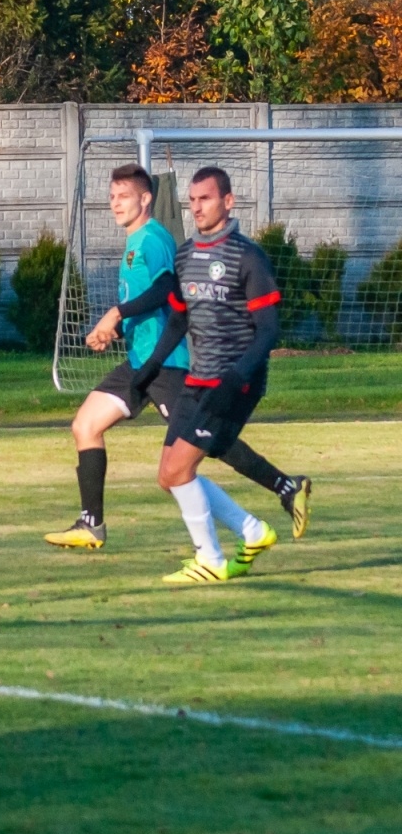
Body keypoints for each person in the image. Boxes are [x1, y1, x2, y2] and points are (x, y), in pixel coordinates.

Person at [46, 165, 311, 549]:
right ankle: (92, 523)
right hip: (143, 362)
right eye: (112, 197)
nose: (115, 203)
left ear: (146, 198)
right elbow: (162, 304)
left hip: (170, 365)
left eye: (123, 196)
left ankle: (274, 500)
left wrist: (117, 314)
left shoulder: (154, 239)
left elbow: (166, 292)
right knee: (86, 426)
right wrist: (116, 329)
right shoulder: (140, 242)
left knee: (196, 456)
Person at [131, 167, 291, 583]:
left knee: (179, 471)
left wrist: (236, 377)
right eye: (192, 199)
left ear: (228, 202)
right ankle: (252, 531)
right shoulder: (186, 255)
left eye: (205, 198)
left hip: (236, 383)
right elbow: (179, 320)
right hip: (197, 380)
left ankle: (211, 559)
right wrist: (152, 364)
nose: (196, 206)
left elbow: (269, 329)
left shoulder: (247, 257)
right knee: (169, 475)